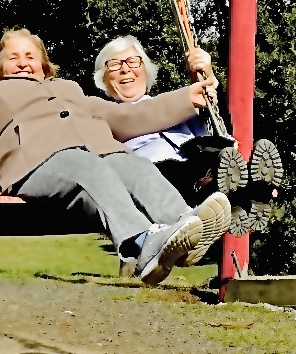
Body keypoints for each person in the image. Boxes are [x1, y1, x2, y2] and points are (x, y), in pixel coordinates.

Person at [0, 28, 231, 284]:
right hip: (32, 164)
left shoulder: (71, 91)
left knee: (132, 164)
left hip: (94, 158)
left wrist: (186, 98)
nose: (22, 62)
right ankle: (142, 243)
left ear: (44, 68)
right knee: (87, 165)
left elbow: (128, 116)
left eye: (30, 56)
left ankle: (186, 226)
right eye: (13, 56)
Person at [93, 36, 284, 233]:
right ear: (103, 79)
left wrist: (207, 76)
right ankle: (233, 193)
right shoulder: (101, 115)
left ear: (145, 70)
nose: (125, 69)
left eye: (133, 62)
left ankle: (251, 191)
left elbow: (219, 122)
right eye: (114, 65)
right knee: (172, 171)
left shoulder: (180, 106)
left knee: (212, 155)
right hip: (157, 176)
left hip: (199, 162)